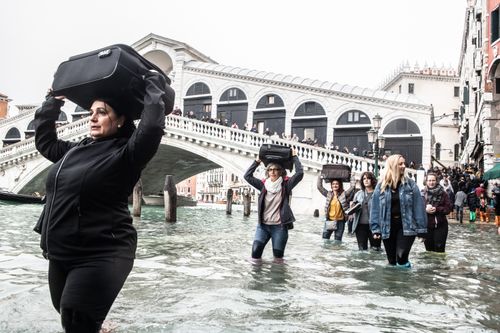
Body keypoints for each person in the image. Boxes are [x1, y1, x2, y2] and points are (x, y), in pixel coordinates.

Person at [33, 72, 169, 332]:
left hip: (102, 252)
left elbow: (151, 128)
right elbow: (45, 141)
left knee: (75, 320)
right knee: (63, 307)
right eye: (91, 112)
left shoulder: (127, 154)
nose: (92, 117)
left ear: (120, 121)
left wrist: (154, 85)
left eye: (102, 112)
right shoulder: (74, 150)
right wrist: (53, 100)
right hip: (60, 252)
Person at [243, 150, 303, 263]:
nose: (273, 172)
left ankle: (276, 278)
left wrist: (295, 157)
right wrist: (256, 162)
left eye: (276, 169)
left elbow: (299, 174)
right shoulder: (262, 185)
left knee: (278, 258)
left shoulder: (286, 185)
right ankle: (257, 279)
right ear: (267, 172)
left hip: (279, 227)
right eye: (270, 169)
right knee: (255, 254)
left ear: (281, 172)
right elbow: (247, 176)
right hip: (263, 226)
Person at [370, 154, 427, 268]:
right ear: (392, 166)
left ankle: (405, 282)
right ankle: (394, 284)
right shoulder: (381, 186)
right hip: (387, 227)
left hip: (406, 226)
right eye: (400, 164)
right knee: (391, 261)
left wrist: (422, 229)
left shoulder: (410, 184)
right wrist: (375, 229)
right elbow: (375, 208)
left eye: (404, 163)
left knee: (401, 257)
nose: (404, 166)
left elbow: (418, 207)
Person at [317, 175, 356, 242]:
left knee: (338, 242)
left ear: (340, 185)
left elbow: (352, 187)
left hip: (340, 222)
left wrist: (352, 177)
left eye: (337, 184)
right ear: (331, 185)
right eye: (333, 184)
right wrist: (319, 177)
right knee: (325, 240)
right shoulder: (328, 194)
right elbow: (319, 187)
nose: (335, 185)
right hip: (329, 220)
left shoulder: (344, 194)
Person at [421, 173, 451, 253]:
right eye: (429, 180)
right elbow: (417, 209)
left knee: (439, 250)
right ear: (426, 182)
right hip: (426, 226)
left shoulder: (443, 194)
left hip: (441, 226)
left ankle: (440, 266)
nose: (431, 182)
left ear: (436, 181)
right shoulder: (422, 194)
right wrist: (425, 210)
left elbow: (448, 209)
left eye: (433, 180)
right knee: (429, 251)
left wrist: (437, 209)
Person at [351, 171, 381, 251]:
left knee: (376, 249)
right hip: (360, 226)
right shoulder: (358, 194)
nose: (366, 180)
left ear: (372, 180)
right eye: (364, 179)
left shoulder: (378, 194)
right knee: (362, 250)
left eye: (368, 178)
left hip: (374, 226)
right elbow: (352, 208)